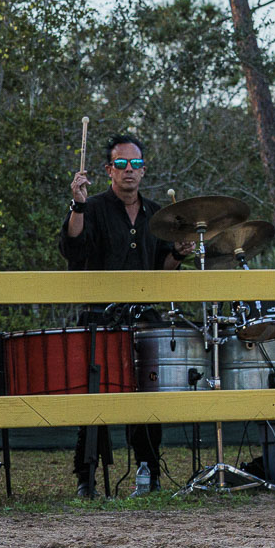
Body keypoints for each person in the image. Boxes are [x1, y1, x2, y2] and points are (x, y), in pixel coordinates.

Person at [61, 133, 180, 497]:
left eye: (136, 164)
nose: (130, 170)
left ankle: (149, 471)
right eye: (122, 164)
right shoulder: (92, 207)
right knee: (93, 397)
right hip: (101, 316)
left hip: (144, 317)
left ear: (144, 170)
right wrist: (77, 204)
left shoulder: (157, 214)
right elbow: (72, 249)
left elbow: (163, 270)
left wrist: (179, 253)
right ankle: (86, 478)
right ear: (109, 170)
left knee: (149, 394)